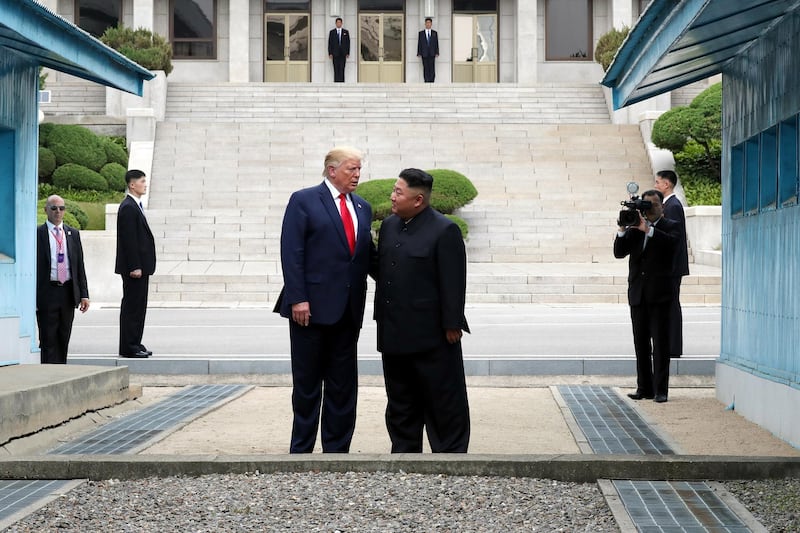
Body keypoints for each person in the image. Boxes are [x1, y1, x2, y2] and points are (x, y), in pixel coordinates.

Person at [274, 147, 375, 453]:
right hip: (310, 310)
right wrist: (298, 298)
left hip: (348, 310)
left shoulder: (362, 207)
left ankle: (337, 449)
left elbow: (365, 256)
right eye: (351, 169)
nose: (357, 175)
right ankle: (301, 449)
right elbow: (292, 252)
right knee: (307, 384)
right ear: (332, 170)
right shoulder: (304, 200)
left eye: (359, 169)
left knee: (343, 385)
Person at [374, 168, 470, 453]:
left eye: (398, 192)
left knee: (442, 399)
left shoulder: (444, 229)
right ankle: (404, 452)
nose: (392, 197)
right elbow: (384, 271)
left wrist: (452, 323)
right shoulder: (390, 225)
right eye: (394, 189)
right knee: (400, 400)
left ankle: (450, 455)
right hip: (393, 332)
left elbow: (453, 280)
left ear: (418, 200)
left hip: (432, 335)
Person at [614, 189, 681, 403]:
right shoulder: (635, 228)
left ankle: (661, 390)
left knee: (661, 345)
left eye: (652, 204)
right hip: (638, 295)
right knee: (641, 344)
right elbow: (619, 252)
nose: (648, 209)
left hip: (660, 295)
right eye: (645, 205)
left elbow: (671, 246)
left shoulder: (671, 226)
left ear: (662, 206)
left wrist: (649, 230)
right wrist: (623, 229)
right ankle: (644, 387)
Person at [35, 195, 90, 364]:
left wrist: (84, 294)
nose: (58, 212)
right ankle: (47, 372)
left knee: (63, 335)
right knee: (47, 337)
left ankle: (61, 370)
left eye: (61, 208)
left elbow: (79, 265)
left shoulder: (72, 234)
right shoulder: (38, 234)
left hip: (67, 291)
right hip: (47, 291)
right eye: (54, 208)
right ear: (46, 210)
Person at [116, 169, 156, 359]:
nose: (145, 184)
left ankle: (135, 342)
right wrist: (134, 266)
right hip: (135, 269)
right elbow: (128, 240)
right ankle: (128, 346)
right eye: (142, 181)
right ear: (132, 184)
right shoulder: (128, 207)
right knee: (132, 307)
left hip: (142, 267)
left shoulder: (135, 205)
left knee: (139, 306)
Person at [654, 170, 690, 358]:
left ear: (666, 184)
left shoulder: (673, 206)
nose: (656, 185)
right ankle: (668, 346)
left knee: (671, 306)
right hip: (670, 266)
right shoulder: (669, 205)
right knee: (668, 306)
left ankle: (673, 347)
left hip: (672, 267)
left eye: (658, 182)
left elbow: (673, 237)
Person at [328, 17, 350, 83]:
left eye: (340, 22)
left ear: (342, 23)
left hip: (343, 53)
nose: (339, 24)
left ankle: (342, 82)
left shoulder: (345, 32)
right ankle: (336, 81)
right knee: (336, 68)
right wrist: (330, 53)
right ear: (336, 23)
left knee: (342, 67)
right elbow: (330, 43)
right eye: (337, 22)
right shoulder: (332, 32)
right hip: (335, 53)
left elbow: (348, 43)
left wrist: (347, 52)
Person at [417, 18, 439, 83]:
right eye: (427, 23)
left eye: (429, 23)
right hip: (424, 53)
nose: (428, 24)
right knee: (425, 67)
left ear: (431, 24)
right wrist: (419, 52)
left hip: (432, 53)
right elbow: (419, 43)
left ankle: (432, 80)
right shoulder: (421, 33)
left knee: (432, 67)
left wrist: (437, 52)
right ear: (425, 24)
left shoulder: (434, 33)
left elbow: (436, 43)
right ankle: (426, 80)